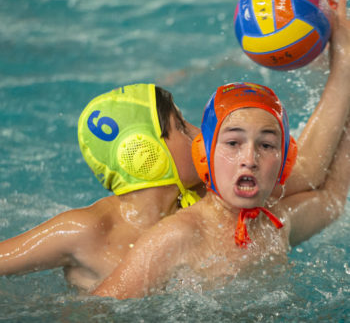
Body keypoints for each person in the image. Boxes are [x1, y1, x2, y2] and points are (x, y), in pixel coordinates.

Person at [0, 0, 349, 294]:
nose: (200, 134)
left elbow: (311, 175)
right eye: (182, 127)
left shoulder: (219, 201)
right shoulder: (85, 230)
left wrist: (343, 65)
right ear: (146, 156)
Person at [93, 81, 350, 299]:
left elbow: (332, 198)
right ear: (204, 154)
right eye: (233, 143)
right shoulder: (177, 236)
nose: (249, 158)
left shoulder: (277, 224)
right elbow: (98, 309)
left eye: (267, 145)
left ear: (285, 161)